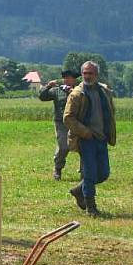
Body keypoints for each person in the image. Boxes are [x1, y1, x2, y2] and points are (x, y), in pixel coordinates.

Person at [63, 61, 116, 217]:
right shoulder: (76, 94)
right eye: (85, 73)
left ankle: (79, 190)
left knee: (104, 173)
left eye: (90, 73)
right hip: (86, 139)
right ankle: (90, 207)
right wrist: (85, 132)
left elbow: (111, 112)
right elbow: (68, 118)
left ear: (96, 75)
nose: (87, 76)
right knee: (90, 173)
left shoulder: (104, 91)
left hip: (101, 138)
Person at [39, 69, 79, 180]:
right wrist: (48, 86)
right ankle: (58, 168)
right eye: (65, 78)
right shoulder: (57, 91)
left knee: (82, 146)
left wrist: (73, 93)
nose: (66, 80)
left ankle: (84, 170)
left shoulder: (79, 90)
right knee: (63, 147)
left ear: (74, 79)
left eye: (69, 78)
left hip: (77, 123)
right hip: (61, 123)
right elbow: (42, 96)